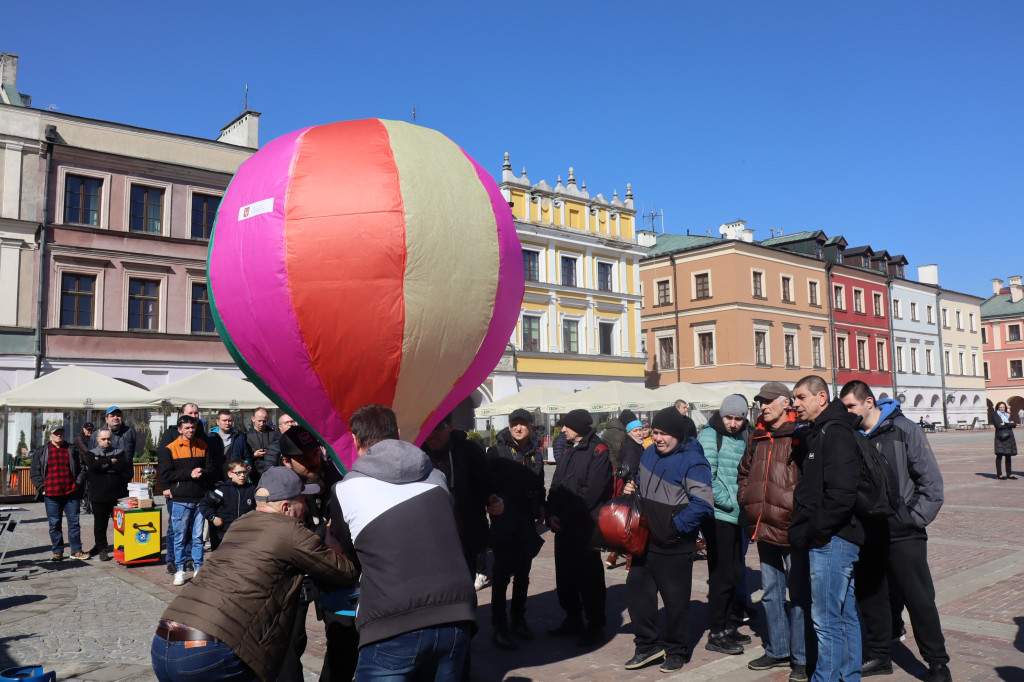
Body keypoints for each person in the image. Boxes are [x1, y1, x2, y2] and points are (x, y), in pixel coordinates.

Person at [151, 466, 357, 682]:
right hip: (210, 650)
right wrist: (333, 544)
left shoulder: (240, 523)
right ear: (286, 507)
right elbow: (345, 572)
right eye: (302, 500)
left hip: (166, 638)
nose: (305, 507)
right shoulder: (292, 531)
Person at [331, 404, 476, 681]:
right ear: (397, 433)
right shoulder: (436, 477)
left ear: (354, 440)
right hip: (456, 614)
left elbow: (350, 556)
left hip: (393, 620)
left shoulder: (345, 488)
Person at [840, 381, 952, 682]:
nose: (848, 412)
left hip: (904, 533)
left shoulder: (903, 429)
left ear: (869, 402)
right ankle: (879, 655)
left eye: (851, 406)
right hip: (867, 533)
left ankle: (938, 664)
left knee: (919, 599)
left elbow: (931, 483)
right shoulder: (851, 436)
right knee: (872, 596)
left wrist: (912, 518)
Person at [623, 406, 712, 673]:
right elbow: (642, 482)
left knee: (675, 602)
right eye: (656, 432)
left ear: (678, 434)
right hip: (646, 538)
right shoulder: (649, 453)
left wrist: (675, 527)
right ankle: (648, 644)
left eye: (665, 434)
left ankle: (676, 650)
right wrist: (633, 487)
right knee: (637, 591)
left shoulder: (694, 461)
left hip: (675, 543)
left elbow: (703, 504)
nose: (659, 438)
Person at [789, 375, 863, 682]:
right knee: (844, 616)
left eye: (801, 397)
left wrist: (818, 530)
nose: (795, 404)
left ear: (821, 398)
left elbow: (842, 492)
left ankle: (826, 678)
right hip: (833, 537)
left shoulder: (834, 433)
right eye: (794, 398)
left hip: (833, 539)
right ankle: (848, 676)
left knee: (826, 619)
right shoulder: (820, 431)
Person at [737, 381, 810, 682]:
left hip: (791, 527)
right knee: (770, 591)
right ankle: (778, 648)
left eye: (768, 401)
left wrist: (799, 514)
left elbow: (808, 477)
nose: (763, 407)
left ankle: (802, 657)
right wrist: (747, 500)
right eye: (761, 402)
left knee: (799, 594)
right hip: (762, 524)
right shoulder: (757, 435)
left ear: (785, 402)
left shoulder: (799, 435)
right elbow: (744, 472)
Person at [545, 409, 613, 646]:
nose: (562, 430)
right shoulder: (568, 449)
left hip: (585, 527)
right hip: (563, 526)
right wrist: (549, 513)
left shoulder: (599, 451)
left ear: (579, 428)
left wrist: (563, 517)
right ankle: (572, 618)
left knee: (589, 578)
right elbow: (556, 484)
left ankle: (596, 624)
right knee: (565, 576)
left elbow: (590, 494)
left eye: (566, 426)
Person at [486, 408, 546, 650]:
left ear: (530, 425)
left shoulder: (535, 452)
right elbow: (485, 481)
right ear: (509, 426)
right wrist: (490, 500)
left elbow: (540, 484)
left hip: (526, 523)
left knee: (523, 576)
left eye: (522, 424)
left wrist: (541, 506)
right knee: (501, 578)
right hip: (504, 523)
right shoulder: (497, 451)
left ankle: (518, 621)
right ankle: (499, 627)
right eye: (514, 424)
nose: (518, 428)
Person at [698, 394, 753, 656]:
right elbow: (706, 476)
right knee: (721, 576)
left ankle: (730, 625)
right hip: (720, 516)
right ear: (721, 416)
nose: (733, 423)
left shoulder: (743, 436)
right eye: (729, 418)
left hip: (737, 517)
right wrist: (730, 502)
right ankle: (716, 631)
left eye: (738, 418)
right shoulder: (710, 436)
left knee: (735, 575)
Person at [423, 413, 503, 583]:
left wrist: (493, 499)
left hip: (465, 536)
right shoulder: (416, 452)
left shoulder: (469, 451)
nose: (431, 434)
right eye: (427, 428)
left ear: (451, 426)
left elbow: (488, 485)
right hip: (430, 539)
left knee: (465, 594)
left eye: (438, 428)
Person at [158, 415, 215, 586]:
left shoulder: (203, 445)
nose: (191, 430)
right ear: (180, 429)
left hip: (200, 498)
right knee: (180, 537)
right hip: (180, 498)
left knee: (198, 537)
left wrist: (202, 473)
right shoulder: (169, 448)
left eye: (193, 427)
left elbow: (210, 468)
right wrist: (189, 474)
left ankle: (198, 567)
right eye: (187, 428)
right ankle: (180, 569)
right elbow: (167, 474)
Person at [30, 425, 88, 561]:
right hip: (51, 494)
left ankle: (76, 551)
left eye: (61, 432)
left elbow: (82, 468)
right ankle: (58, 551)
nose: (59, 435)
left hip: (71, 493)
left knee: (74, 523)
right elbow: (34, 472)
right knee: (54, 524)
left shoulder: (71, 449)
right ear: (50, 435)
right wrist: (41, 488)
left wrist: (78, 485)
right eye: (56, 433)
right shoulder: (43, 451)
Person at [83, 428, 132, 561]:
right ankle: (102, 548)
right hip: (99, 495)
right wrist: (110, 462)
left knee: (121, 524)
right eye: (103, 439)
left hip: (118, 495)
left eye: (109, 439)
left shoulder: (120, 452)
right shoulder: (91, 453)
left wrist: (103, 466)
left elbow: (120, 468)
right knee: (100, 524)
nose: (106, 441)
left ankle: (123, 546)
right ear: (97, 439)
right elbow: (93, 468)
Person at [605, 415, 647, 570]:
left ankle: (614, 556)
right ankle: (628, 561)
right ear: (629, 432)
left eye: (641, 430)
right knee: (633, 526)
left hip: (630, 488)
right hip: (632, 489)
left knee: (628, 526)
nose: (639, 433)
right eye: (635, 430)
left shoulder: (636, 445)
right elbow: (629, 469)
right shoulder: (631, 447)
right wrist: (635, 482)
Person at [198, 459, 256, 551]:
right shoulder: (222, 490)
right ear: (230, 474)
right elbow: (204, 504)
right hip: (225, 534)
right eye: (238, 473)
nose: (242, 476)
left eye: (245, 472)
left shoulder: (252, 490)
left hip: (246, 533)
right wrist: (213, 518)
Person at [207, 410, 252, 481]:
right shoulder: (210, 438)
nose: (227, 423)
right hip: (215, 477)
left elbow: (247, 456)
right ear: (218, 421)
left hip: (235, 477)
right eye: (224, 420)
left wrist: (249, 465)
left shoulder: (239, 437)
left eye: (230, 420)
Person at [245, 407, 274, 480]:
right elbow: (243, 457)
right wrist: (254, 455)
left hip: (271, 472)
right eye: (259, 421)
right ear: (253, 419)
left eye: (264, 421)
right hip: (255, 474)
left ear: (267, 419)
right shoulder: (246, 436)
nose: (262, 424)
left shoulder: (274, 434)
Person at [992, 401, 1017, 480]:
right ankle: (999, 474)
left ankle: (1009, 474)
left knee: (1008, 456)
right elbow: (998, 426)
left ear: (1005, 408)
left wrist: (1005, 424)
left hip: (1009, 437)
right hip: (1001, 437)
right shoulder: (995, 415)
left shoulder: (1008, 415)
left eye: (1003, 407)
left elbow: (1014, 424)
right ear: (998, 408)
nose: (1002, 408)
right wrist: (1009, 423)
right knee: (999, 455)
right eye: (1000, 407)